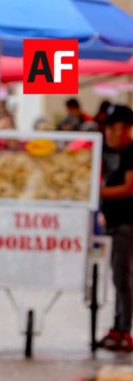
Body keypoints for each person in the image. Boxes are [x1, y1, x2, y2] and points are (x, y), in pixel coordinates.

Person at [97, 105, 133, 352]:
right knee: (118, 276)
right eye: (107, 127)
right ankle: (118, 325)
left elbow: (129, 188)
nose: (109, 132)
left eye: (113, 127)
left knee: (122, 277)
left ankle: (124, 329)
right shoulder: (107, 150)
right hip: (112, 222)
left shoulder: (132, 152)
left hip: (126, 223)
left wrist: (96, 194)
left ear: (126, 129)